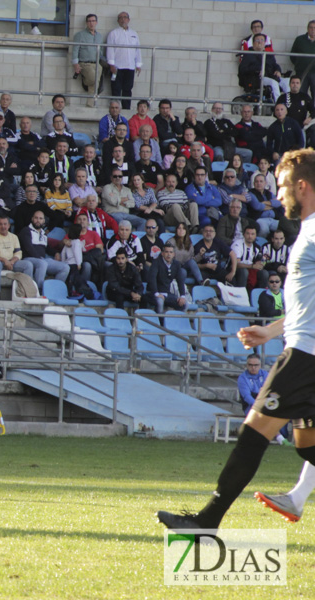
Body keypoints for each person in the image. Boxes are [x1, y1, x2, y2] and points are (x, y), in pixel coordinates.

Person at [158, 148, 315, 531]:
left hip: (306, 357)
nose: (278, 195)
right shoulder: (308, 229)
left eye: (281, 186)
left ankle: (206, 521)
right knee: (307, 445)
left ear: (303, 185)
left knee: (252, 433)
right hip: (302, 346)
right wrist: (272, 329)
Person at [106, 12, 141, 109]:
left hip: (130, 66)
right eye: (120, 18)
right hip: (117, 67)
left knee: (128, 89)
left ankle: (126, 109)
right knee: (116, 89)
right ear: (118, 21)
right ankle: (115, 109)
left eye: (125, 17)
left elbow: (137, 49)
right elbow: (110, 49)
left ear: (128, 20)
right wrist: (111, 64)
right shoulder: (113, 33)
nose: (123, 19)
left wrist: (138, 64)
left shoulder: (134, 34)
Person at [72, 14, 104, 107]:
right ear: (86, 23)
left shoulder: (99, 36)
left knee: (94, 85)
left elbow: (101, 51)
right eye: (89, 21)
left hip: (97, 63)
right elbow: (75, 49)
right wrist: (75, 64)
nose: (91, 23)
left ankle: (90, 105)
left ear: (96, 22)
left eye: (93, 21)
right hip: (85, 63)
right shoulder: (80, 35)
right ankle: (85, 80)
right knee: (94, 80)